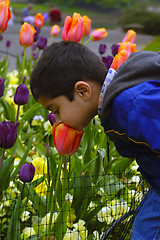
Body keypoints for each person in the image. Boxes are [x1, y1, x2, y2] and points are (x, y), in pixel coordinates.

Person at [30, 41, 160, 240]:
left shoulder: (129, 104)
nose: (57, 121)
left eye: (56, 110)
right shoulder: (119, 104)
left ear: (83, 91)